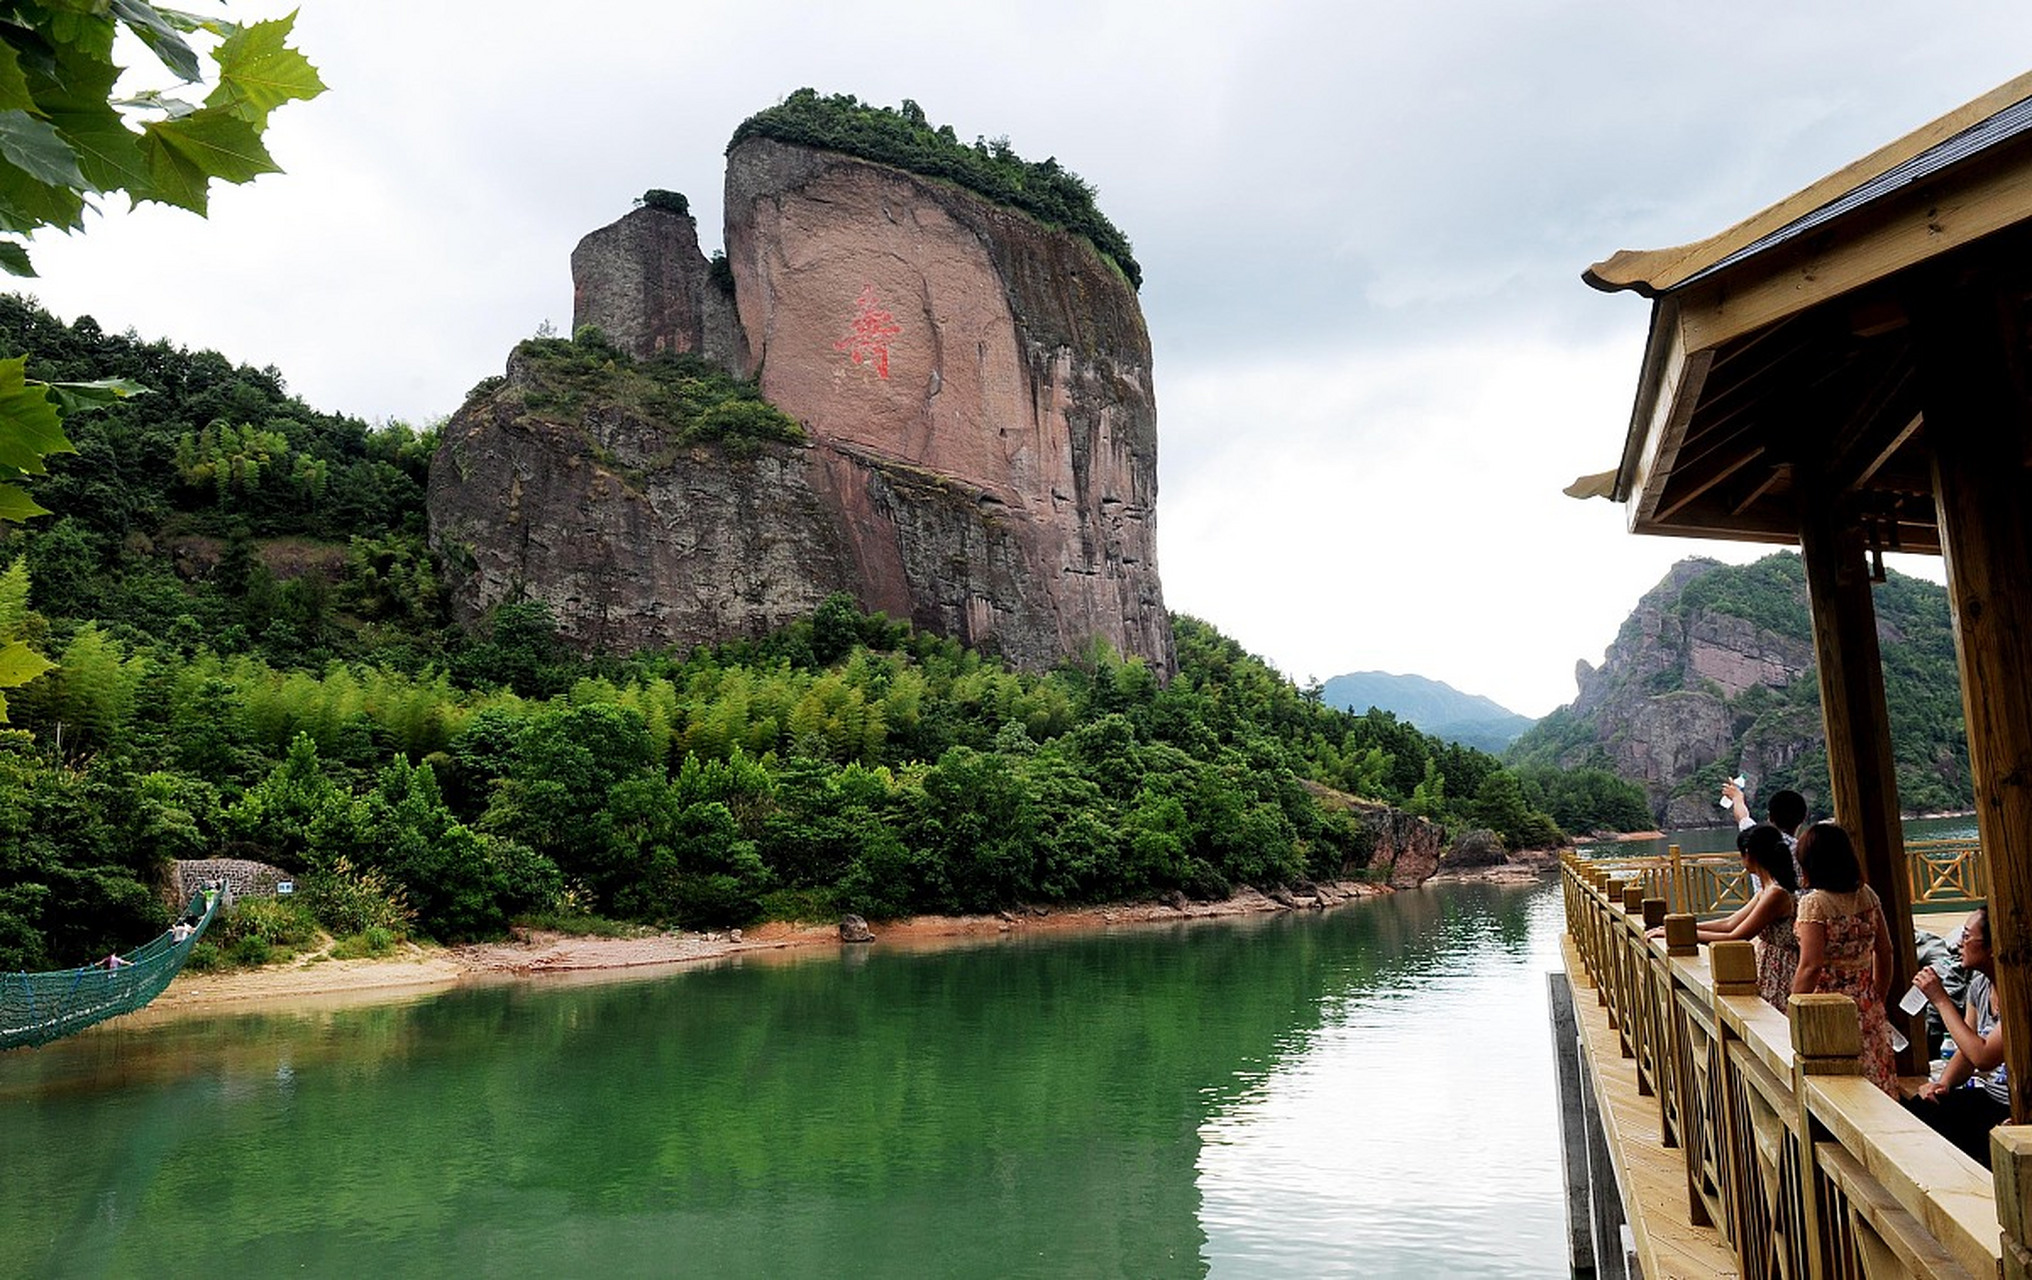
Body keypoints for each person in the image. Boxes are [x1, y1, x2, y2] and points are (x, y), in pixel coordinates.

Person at [1792, 821, 1896, 1096]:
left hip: (1826, 1006)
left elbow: (1811, 965)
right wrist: (1877, 994)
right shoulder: (1867, 895)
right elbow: (1885, 951)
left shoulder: (1815, 903)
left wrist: (1792, 1009)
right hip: (1865, 999)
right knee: (1872, 1076)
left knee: (1835, 1084)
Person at [1648, 823, 1798, 1012]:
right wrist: (1677, 929)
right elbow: (1729, 923)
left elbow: (1735, 936)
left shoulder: (1776, 893)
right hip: (1772, 967)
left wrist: (1679, 935)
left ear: (1748, 853)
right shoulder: (1766, 891)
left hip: (1782, 971)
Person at [1905, 906, 2008, 1167]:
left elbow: (1983, 1056)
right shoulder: (1980, 985)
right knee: (1921, 1108)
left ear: (1993, 947)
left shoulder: (2019, 995)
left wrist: (1940, 1000)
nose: (1958, 944)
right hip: (1990, 1097)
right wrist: (1944, 1084)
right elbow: (1966, 1049)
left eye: (1966, 936)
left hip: (2013, 1105)